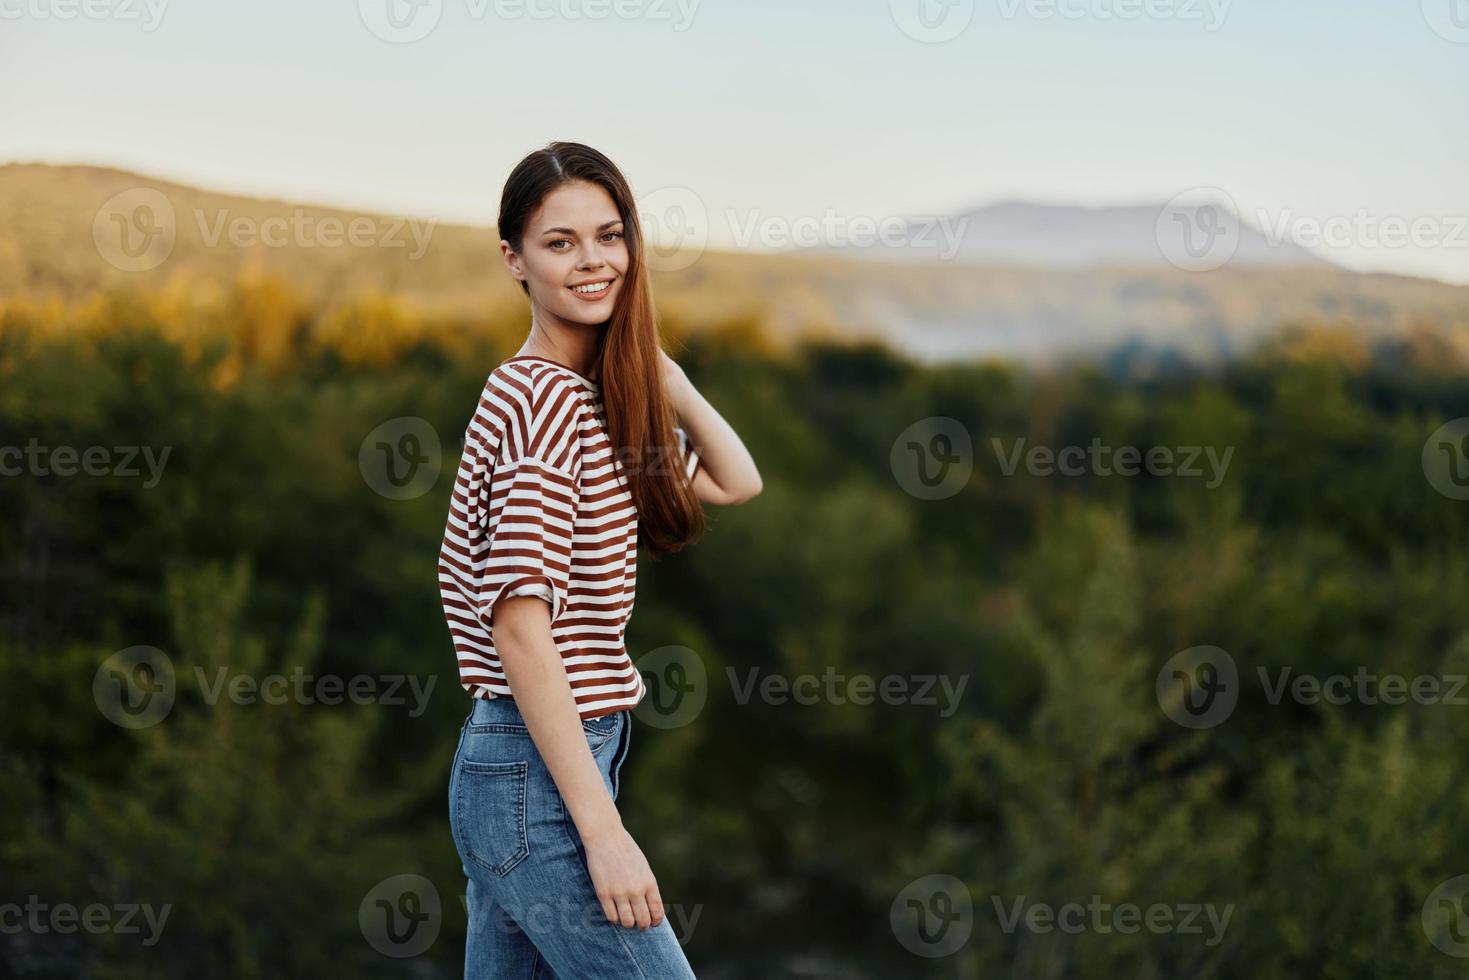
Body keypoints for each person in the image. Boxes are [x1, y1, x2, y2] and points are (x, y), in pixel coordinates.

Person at [438, 141, 762, 979]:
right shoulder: (542, 400)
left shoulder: (583, 401)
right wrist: (605, 835)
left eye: (609, 236)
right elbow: (519, 628)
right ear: (513, 259)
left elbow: (735, 479)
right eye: (560, 242)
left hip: (530, 770)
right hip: (537, 782)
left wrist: (666, 377)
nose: (593, 261)